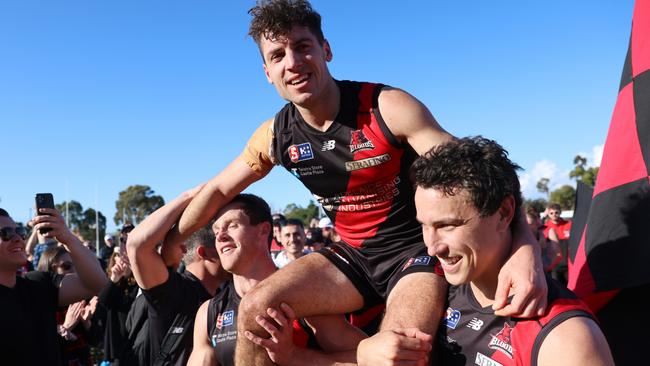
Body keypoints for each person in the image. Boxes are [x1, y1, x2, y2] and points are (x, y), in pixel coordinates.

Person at [171, 1, 546, 364]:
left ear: (326, 50)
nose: (293, 63)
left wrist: (524, 244)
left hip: (411, 254)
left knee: (400, 351)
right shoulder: (276, 136)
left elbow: (481, 170)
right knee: (254, 309)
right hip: (351, 257)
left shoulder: (387, 107)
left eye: (303, 47)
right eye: (278, 55)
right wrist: (173, 241)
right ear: (268, 72)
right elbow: (219, 190)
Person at [357, 137, 615, 366]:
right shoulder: (436, 290)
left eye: (448, 225)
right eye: (424, 226)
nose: (433, 247)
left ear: (503, 213)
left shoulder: (566, 339)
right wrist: (364, 352)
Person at [188, 193, 365, 366]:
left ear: (263, 230)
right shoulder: (208, 313)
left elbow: (368, 360)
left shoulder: (305, 295)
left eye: (232, 226)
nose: (220, 237)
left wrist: (295, 357)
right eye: (216, 231)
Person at [126, 185, 230, 366]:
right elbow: (137, 245)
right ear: (204, 253)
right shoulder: (174, 290)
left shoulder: (225, 296)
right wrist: (189, 196)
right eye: (223, 243)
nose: (230, 249)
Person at [0, 207, 107, 366]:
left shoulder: (38, 283)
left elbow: (97, 284)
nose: (18, 238)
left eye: (20, 231)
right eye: (6, 233)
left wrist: (68, 238)